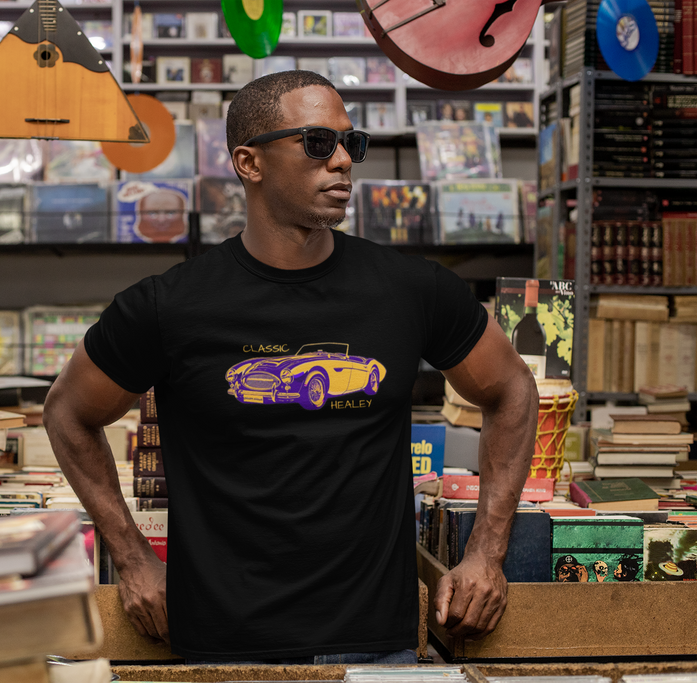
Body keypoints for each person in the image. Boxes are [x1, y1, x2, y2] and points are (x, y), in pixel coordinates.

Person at [44, 70, 538, 664]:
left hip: (373, 643)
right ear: (249, 163)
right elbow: (68, 413)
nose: (342, 162)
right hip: (219, 647)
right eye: (316, 143)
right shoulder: (168, 305)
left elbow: (511, 388)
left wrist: (486, 551)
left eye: (350, 144)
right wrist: (130, 556)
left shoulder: (411, 290)